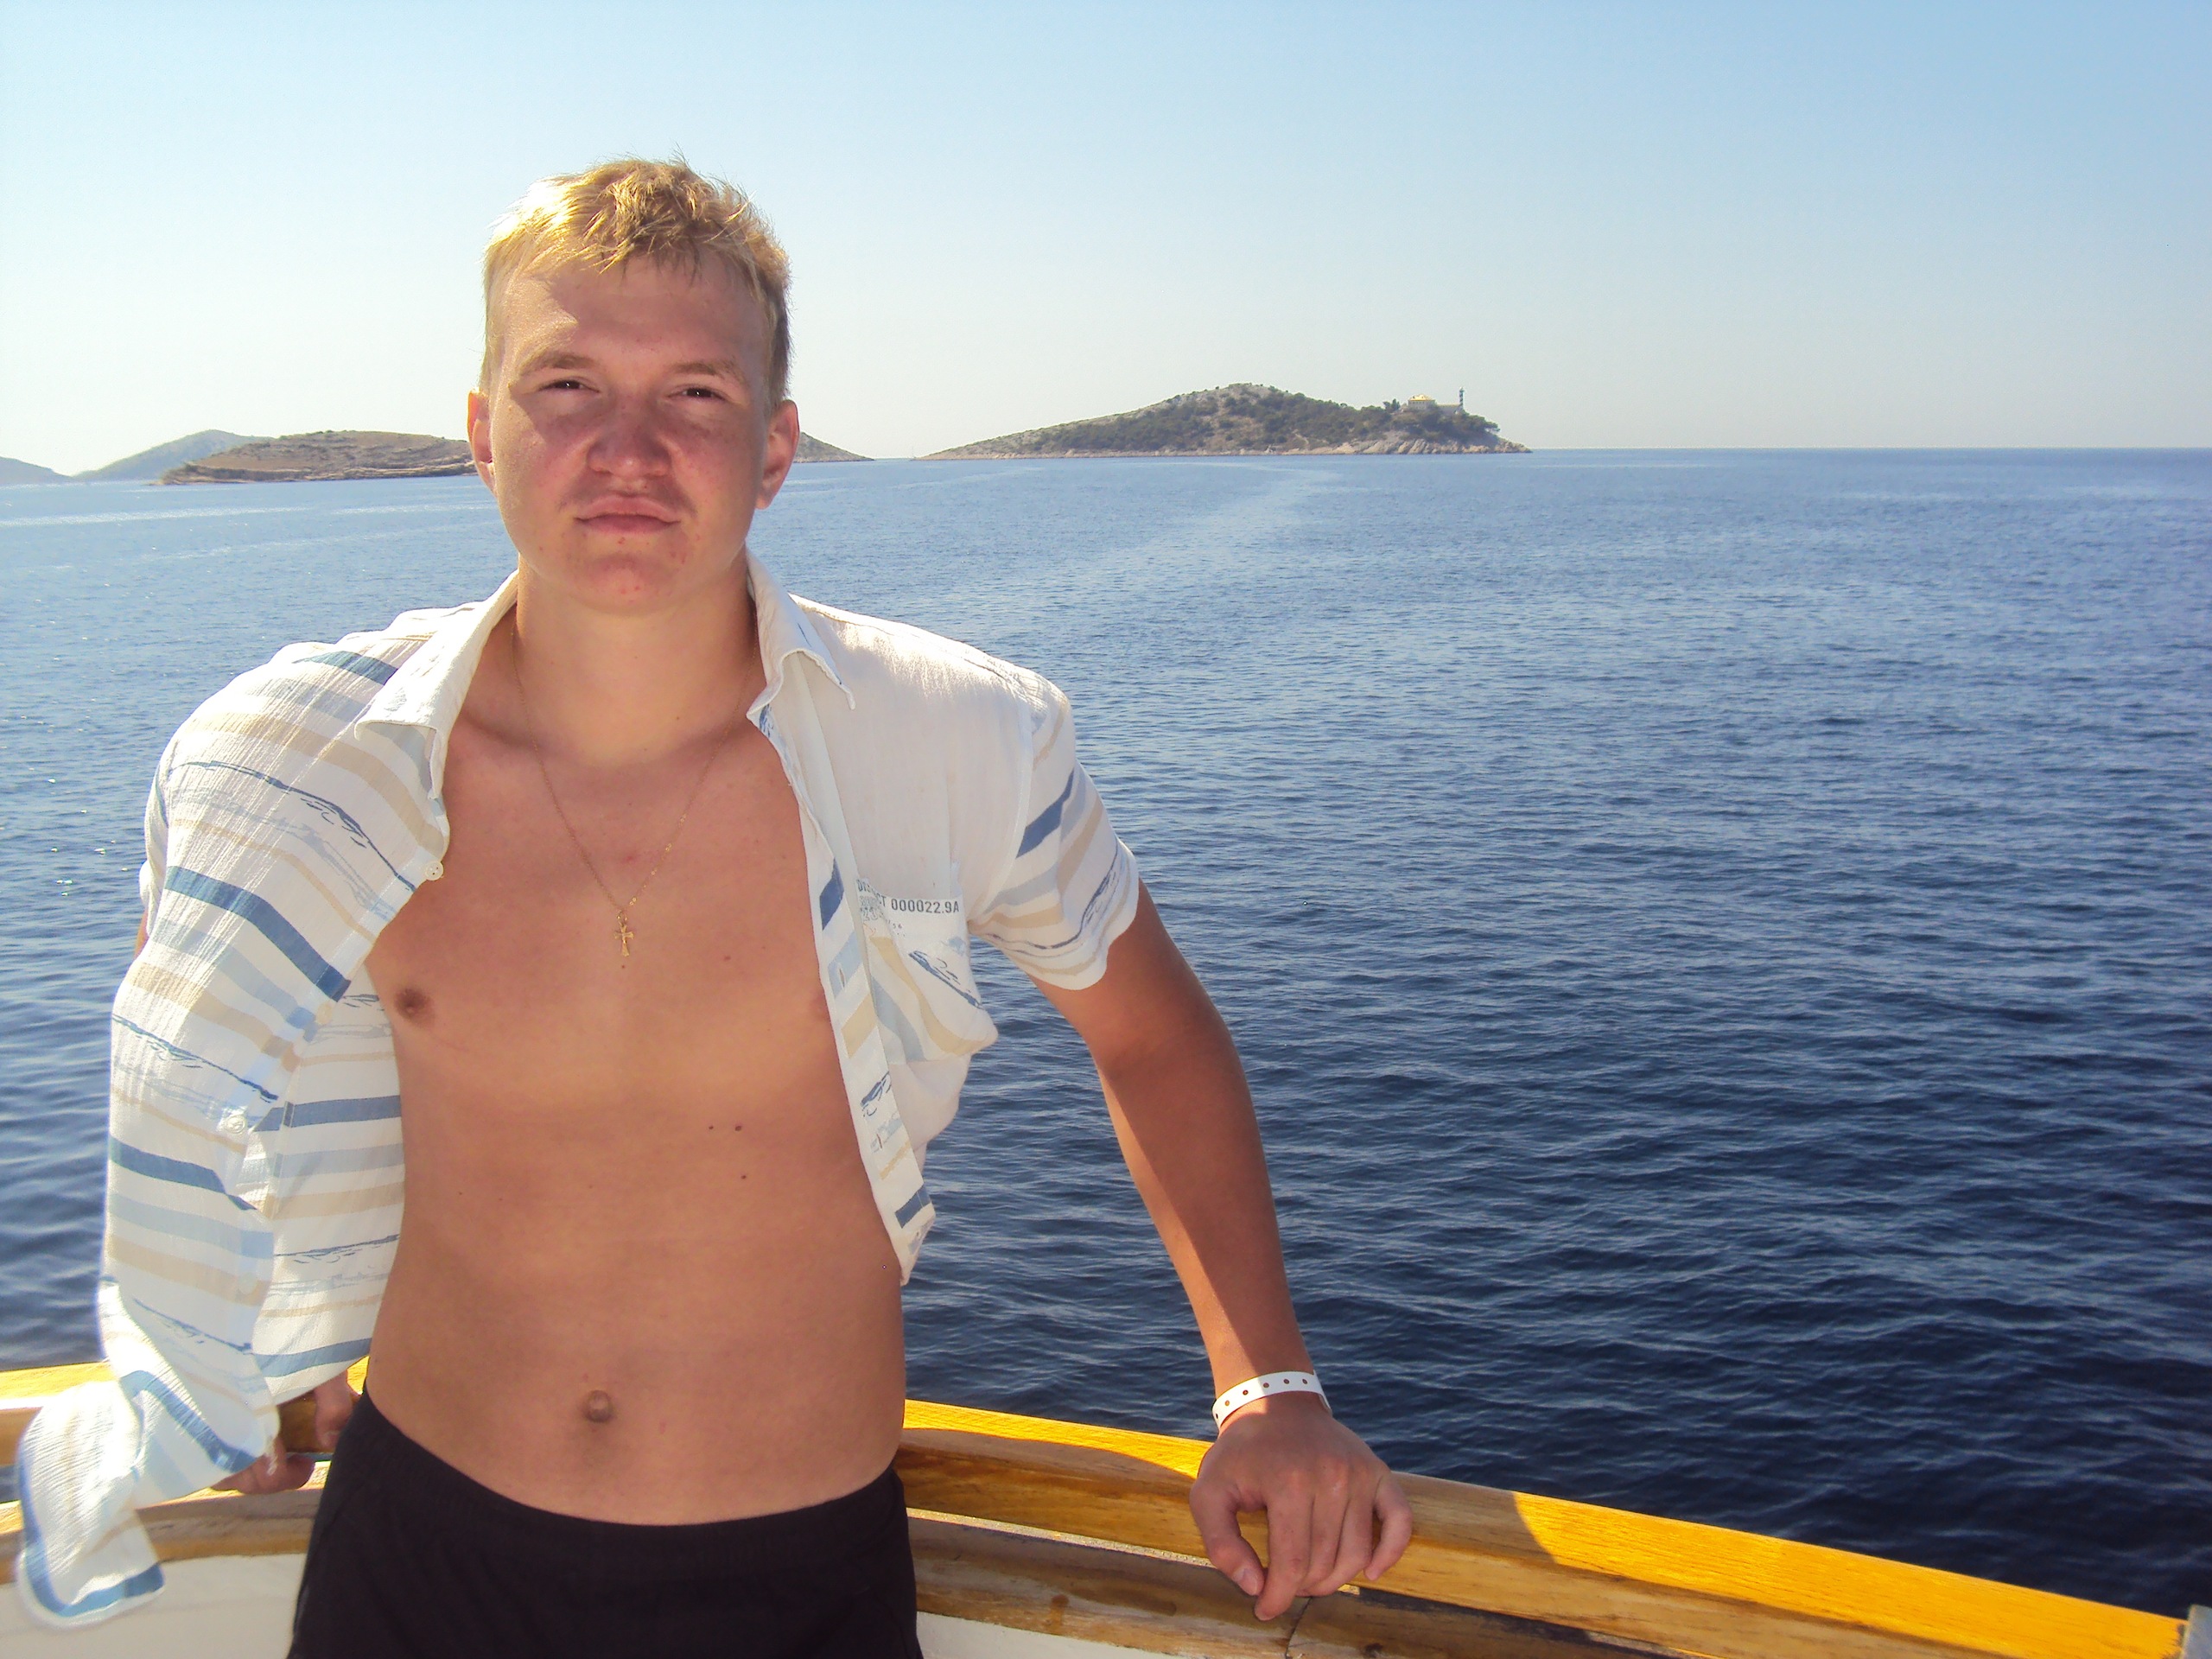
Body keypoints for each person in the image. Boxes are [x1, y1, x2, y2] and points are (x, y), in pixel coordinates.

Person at [14, 159, 1412, 1655]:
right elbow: (221, 1062)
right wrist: (272, 1345)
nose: (628, 449)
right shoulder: (307, 766)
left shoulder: (951, 741)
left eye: (695, 394)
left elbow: (1152, 1036)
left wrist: (1269, 1390)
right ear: (482, 433)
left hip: (792, 1572)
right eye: (566, 386)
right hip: (419, 1547)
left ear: (775, 448)